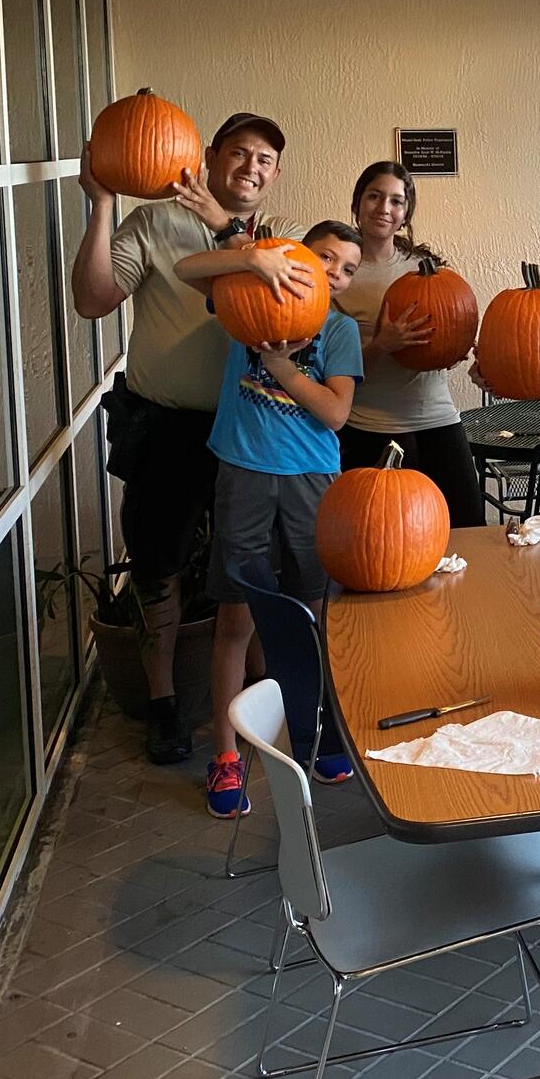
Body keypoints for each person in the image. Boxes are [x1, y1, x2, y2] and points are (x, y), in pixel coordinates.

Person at [71, 111, 304, 767]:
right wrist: (103, 205)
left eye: (264, 159)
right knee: (157, 569)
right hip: (167, 426)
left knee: (251, 568)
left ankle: (263, 695)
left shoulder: (282, 239)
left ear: (275, 174)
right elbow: (92, 300)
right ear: (209, 156)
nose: (251, 167)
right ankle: (165, 704)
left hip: (251, 429)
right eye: (239, 153)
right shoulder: (152, 223)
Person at [174, 221, 365, 816]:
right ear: (299, 259)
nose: (333, 272)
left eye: (347, 267)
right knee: (237, 617)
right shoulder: (247, 302)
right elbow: (187, 270)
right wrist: (255, 261)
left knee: (313, 614)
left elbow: (335, 413)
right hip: (245, 473)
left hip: (312, 479)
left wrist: (282, 368)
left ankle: (318, 728)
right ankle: (226, 753)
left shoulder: (339, 329)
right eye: (324, 258)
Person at [335, 161, 487, 528]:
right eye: (374, 196)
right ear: (357, 203)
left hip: (437, 417)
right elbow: (332, 372)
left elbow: (451, 328)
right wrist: (382, 344)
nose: (384, 208)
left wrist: (459, 350)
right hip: (369, 426)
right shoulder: (337, 272)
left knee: (468, 526)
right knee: (381, 537)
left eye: (396, 201)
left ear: (406, 214)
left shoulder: (426, 267)